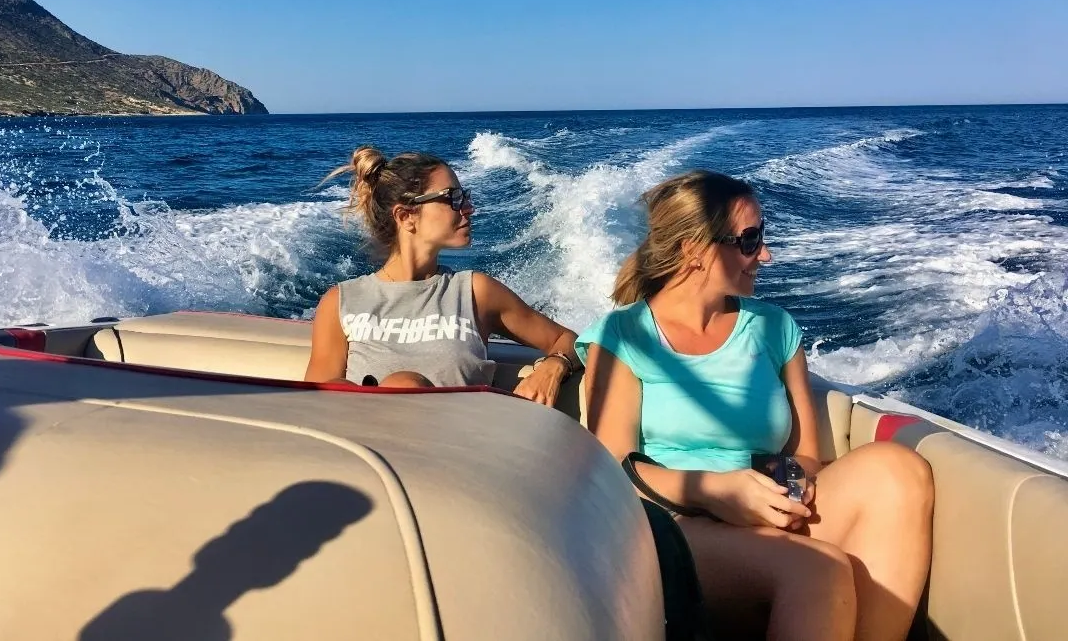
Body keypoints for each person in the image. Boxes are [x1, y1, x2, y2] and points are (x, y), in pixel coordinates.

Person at [576, 170, 934, 641]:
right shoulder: (624, 336)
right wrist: (716, 492)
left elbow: (805, 450)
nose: (764, 254)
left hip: (762, 509)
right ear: (693, 250)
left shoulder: (774, 328)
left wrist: (788, 489)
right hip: (669, 524)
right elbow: (617, 469)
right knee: (816, 568)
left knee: (900, 470)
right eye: (749, 240)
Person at [305, 146, 580, 405]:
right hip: (368, 446)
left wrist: (554, 366)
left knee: (405, 384)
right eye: (453, 198)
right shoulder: (341, 302)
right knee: (390, 385)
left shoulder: (474, 292)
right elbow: (316, 407)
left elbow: (569, 340)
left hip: (454, 447)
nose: (468, 208)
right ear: (405, 216)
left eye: (465, 197)